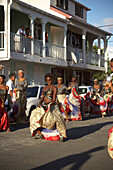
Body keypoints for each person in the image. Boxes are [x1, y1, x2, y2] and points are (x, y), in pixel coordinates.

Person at [30, 73, 67, 141]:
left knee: (58, 119)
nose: (49, 82)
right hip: (44, 105)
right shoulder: (44, 88)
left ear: (52, 80)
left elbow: (54, 98)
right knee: (34, 116)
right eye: (47, 81)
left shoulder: (54, 88)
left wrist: (51, 104)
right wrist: (40, 103)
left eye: (50, 80)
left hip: (52, 106)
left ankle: (61, 135)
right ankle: (39, 134)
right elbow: (43, 97)